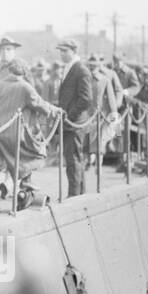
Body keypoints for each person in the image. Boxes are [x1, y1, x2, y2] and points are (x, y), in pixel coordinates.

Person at [0, 58, 59, 210]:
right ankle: (19, 198)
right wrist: (56, 111)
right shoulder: (25, 87)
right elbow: (40, 104)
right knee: (20, 163)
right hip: (12, 134)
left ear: (8, 71)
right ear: (24, 73)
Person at [55, 39, 94, 197]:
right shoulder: (69, 68)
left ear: (73, 51)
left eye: (65, 51)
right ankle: (80, 193)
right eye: (61, 51)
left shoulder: (80, 70)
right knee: (74, 158)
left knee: (73, 160)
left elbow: (86, 99)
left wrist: (68, 116)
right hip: (71, 122)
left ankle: (74, 195)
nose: (62, 54)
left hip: (74, 122)